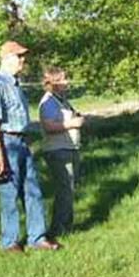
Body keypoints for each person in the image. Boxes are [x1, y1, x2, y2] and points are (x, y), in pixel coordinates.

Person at [0, 40, 60, 252]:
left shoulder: (16, 84)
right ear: (7, 58)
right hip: (7, 142)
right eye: (19, 56)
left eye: (22, 56)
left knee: (33, 190)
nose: (22, 60)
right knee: (10, 194)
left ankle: (37, 238)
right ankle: (10, 242)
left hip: (22, 142)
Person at [39, 66, 85, 239]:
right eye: (64, 79)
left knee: (69, 189)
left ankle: (67, 227)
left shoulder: (62, 100)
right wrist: (73, 124)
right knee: (64, 190)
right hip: (57, 151)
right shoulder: (48, 102)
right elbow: (49, 126)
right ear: (54, 82)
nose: (67, 82)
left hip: (69, 148)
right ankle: (58, 230)